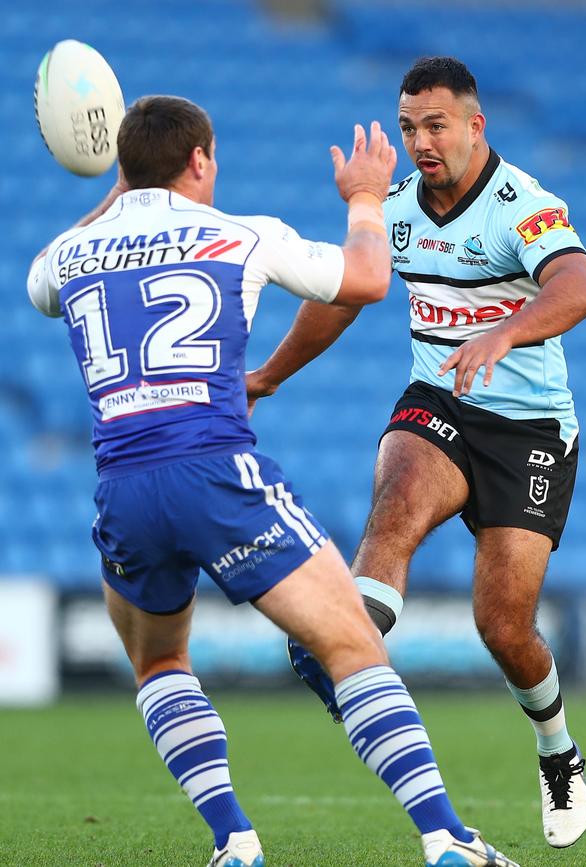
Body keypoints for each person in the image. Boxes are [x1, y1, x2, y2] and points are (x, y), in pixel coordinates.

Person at [27, 95, 520, 867]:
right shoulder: (241, 235)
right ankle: (447, 838)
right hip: (217, 469)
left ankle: (235, 841)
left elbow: (41, 285)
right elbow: (364, 279)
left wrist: (121, 182)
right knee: (352, 644)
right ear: (199, 161)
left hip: (123, 484)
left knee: (158, 664)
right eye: (211, 158)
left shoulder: (67, 253)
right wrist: (363, 198)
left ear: (126, 170)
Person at [247, 57, 586, 851]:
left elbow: (581, 286)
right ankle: (344, 647)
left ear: (476, 125)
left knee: (503, 626)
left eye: (434, 125)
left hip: (529, 428)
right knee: (397, 496)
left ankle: (557, 749)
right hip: (439, 403)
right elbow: (345, 298)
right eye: (408, 127)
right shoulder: (399, 212)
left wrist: (505, 330)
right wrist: (267, 376)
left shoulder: (525, 205)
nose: (420, 142)